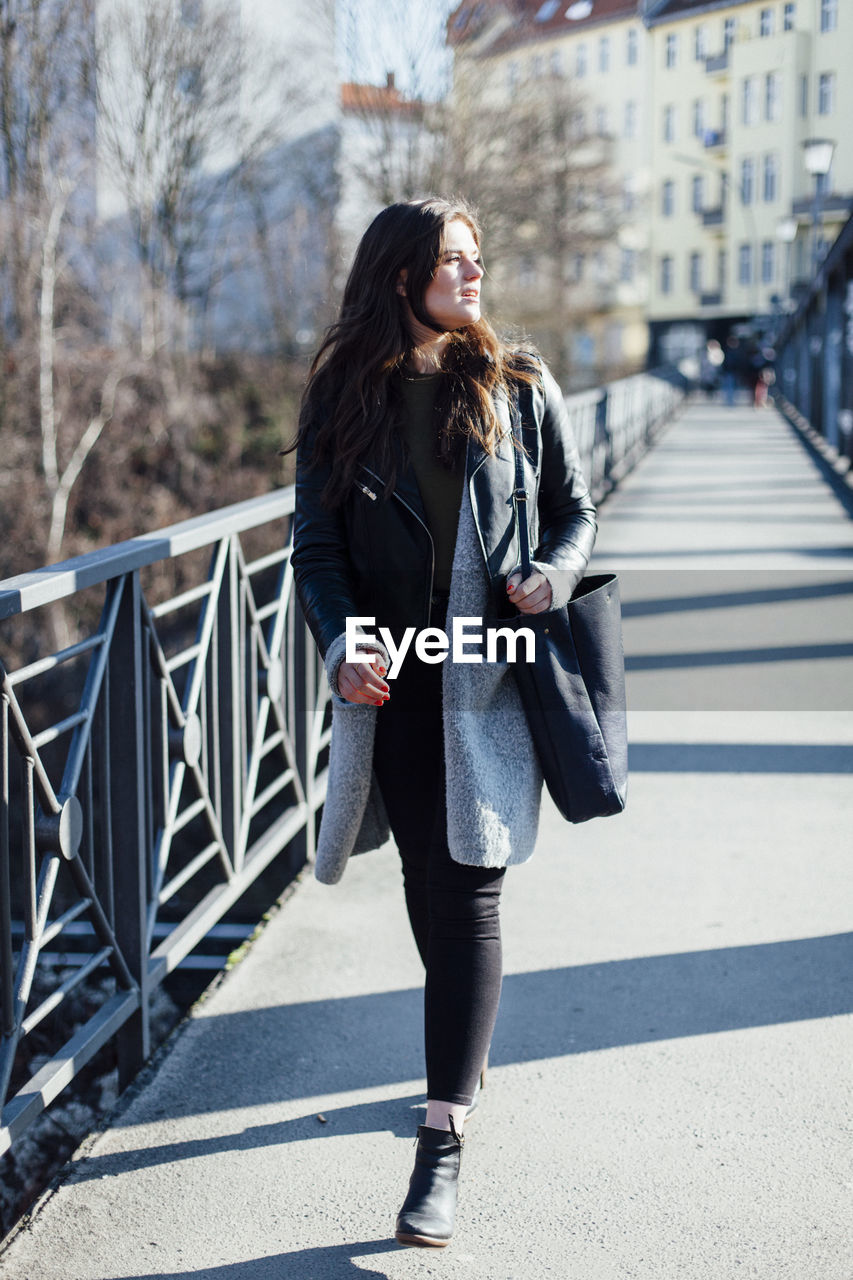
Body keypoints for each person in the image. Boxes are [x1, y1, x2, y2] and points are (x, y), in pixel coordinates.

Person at [289, 198, 597, 1248]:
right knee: (428, 880)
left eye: (476, 259)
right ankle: (458, 1060)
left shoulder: (515, 380)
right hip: (395, 689)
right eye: (450, 262)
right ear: (398, 277)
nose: (472, 277)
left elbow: (573, 507)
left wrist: (548, 576)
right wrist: (342, 646)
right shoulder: (342, 393)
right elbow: (315, 547)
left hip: (488, 685)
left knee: (469, 892)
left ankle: (441, 1135)